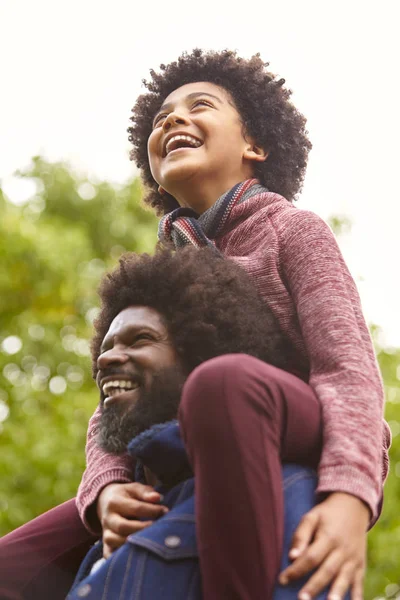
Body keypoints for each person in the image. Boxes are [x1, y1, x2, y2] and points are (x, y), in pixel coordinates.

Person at [0, 48, 390, 599]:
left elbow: (347, 368)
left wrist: (351, 498)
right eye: (161, 119)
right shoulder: (155, 273)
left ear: (254, 146)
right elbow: (113, 402)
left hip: (285, 413)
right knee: (11, 566)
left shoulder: (293, 231)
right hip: (185, 433)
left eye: (199, 106)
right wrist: (107, 489)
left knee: (223, 382)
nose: (173, 119)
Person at [67, 247, 325, 600]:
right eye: (105, 347)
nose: (105, 358)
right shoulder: (113, 527)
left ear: (199, 354)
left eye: (140, 339)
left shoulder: (285, 490)